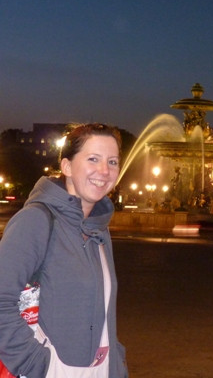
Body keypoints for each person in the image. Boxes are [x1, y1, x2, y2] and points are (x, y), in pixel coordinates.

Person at [0, 123, 128, 377]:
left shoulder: (100, 230)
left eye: (112, 162)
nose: (104, 171)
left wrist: (116, 362)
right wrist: (39, 364)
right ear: (67, 166)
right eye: (93, 159)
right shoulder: (36, 220)